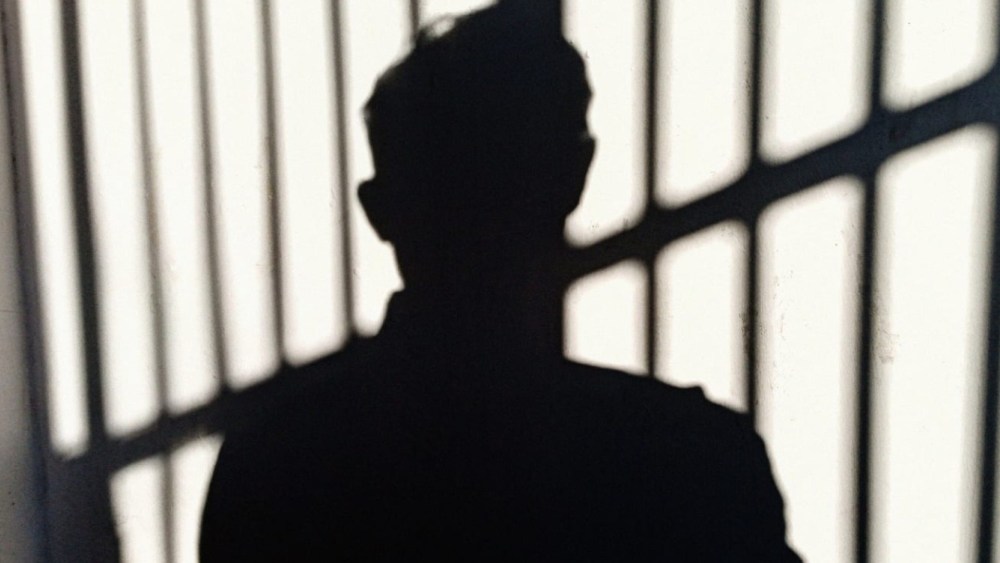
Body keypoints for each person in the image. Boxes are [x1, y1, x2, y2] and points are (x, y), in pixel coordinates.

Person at [200, 4, 801, 561]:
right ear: (573, 177)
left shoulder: (276, 466)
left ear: (379, 209)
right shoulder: (689, 460)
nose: (480, 215)